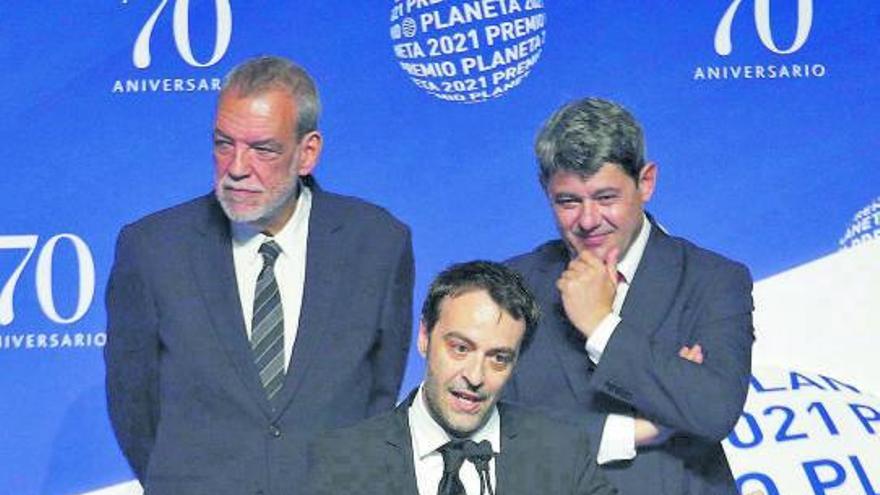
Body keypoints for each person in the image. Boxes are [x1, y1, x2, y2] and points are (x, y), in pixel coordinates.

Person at [104, 55, 414, 495]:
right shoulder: (152, 248)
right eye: (223, 143)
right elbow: (133, 402)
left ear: (307, 152)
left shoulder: (378, 243)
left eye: (263, 149)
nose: (236, 167)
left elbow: (381, 393)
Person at [505, 98, 754, 493]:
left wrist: (602, 327)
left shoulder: (713, 279)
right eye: (568, 201)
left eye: (606, 198)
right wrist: (640, 430)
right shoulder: (509, 286)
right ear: (545, 191)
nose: (588, 220)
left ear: (646, 182)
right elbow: (491, 431)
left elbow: (714, 409)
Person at [308, 261, 618, 495]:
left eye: (498, 358)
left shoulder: (562, 453)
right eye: (460, 348)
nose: (474, 376)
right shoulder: (341, 461)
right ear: (425, 337)